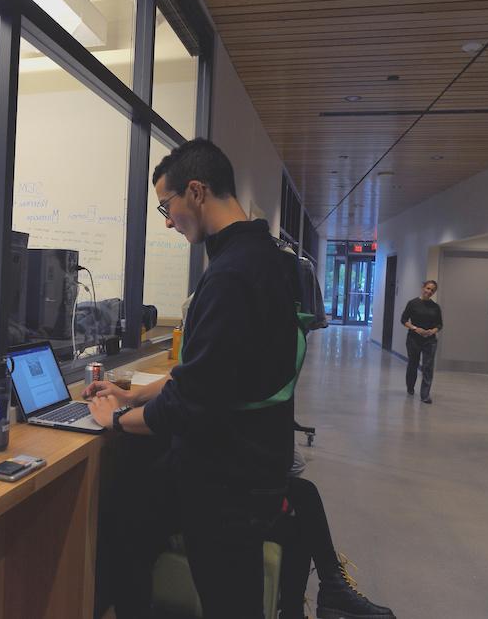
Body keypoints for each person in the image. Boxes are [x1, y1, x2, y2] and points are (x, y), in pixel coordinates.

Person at [84, 139, 393, 619]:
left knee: (218, 594)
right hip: (254, 464)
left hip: (225, 483)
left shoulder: (230, 275)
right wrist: (133, 391)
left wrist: (117, 419)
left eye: (168, 206)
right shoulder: (265, 257)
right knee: (137, 528)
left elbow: (191, 406)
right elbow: (210, 375)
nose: (168, 221)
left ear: (197, 191)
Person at [400, 280, 442, 404]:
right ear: (423, 287)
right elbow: (403, 320)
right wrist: (415, 328)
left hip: (430, 340)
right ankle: (410, 387)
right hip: (414, 339)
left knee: (428, 367)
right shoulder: (413, 303)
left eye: (432, 290)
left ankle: (425, 395)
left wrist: (432, 331)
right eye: (428, 288)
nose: (429, 292)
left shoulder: (435, 307)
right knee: (413, 364)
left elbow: (440, 324)